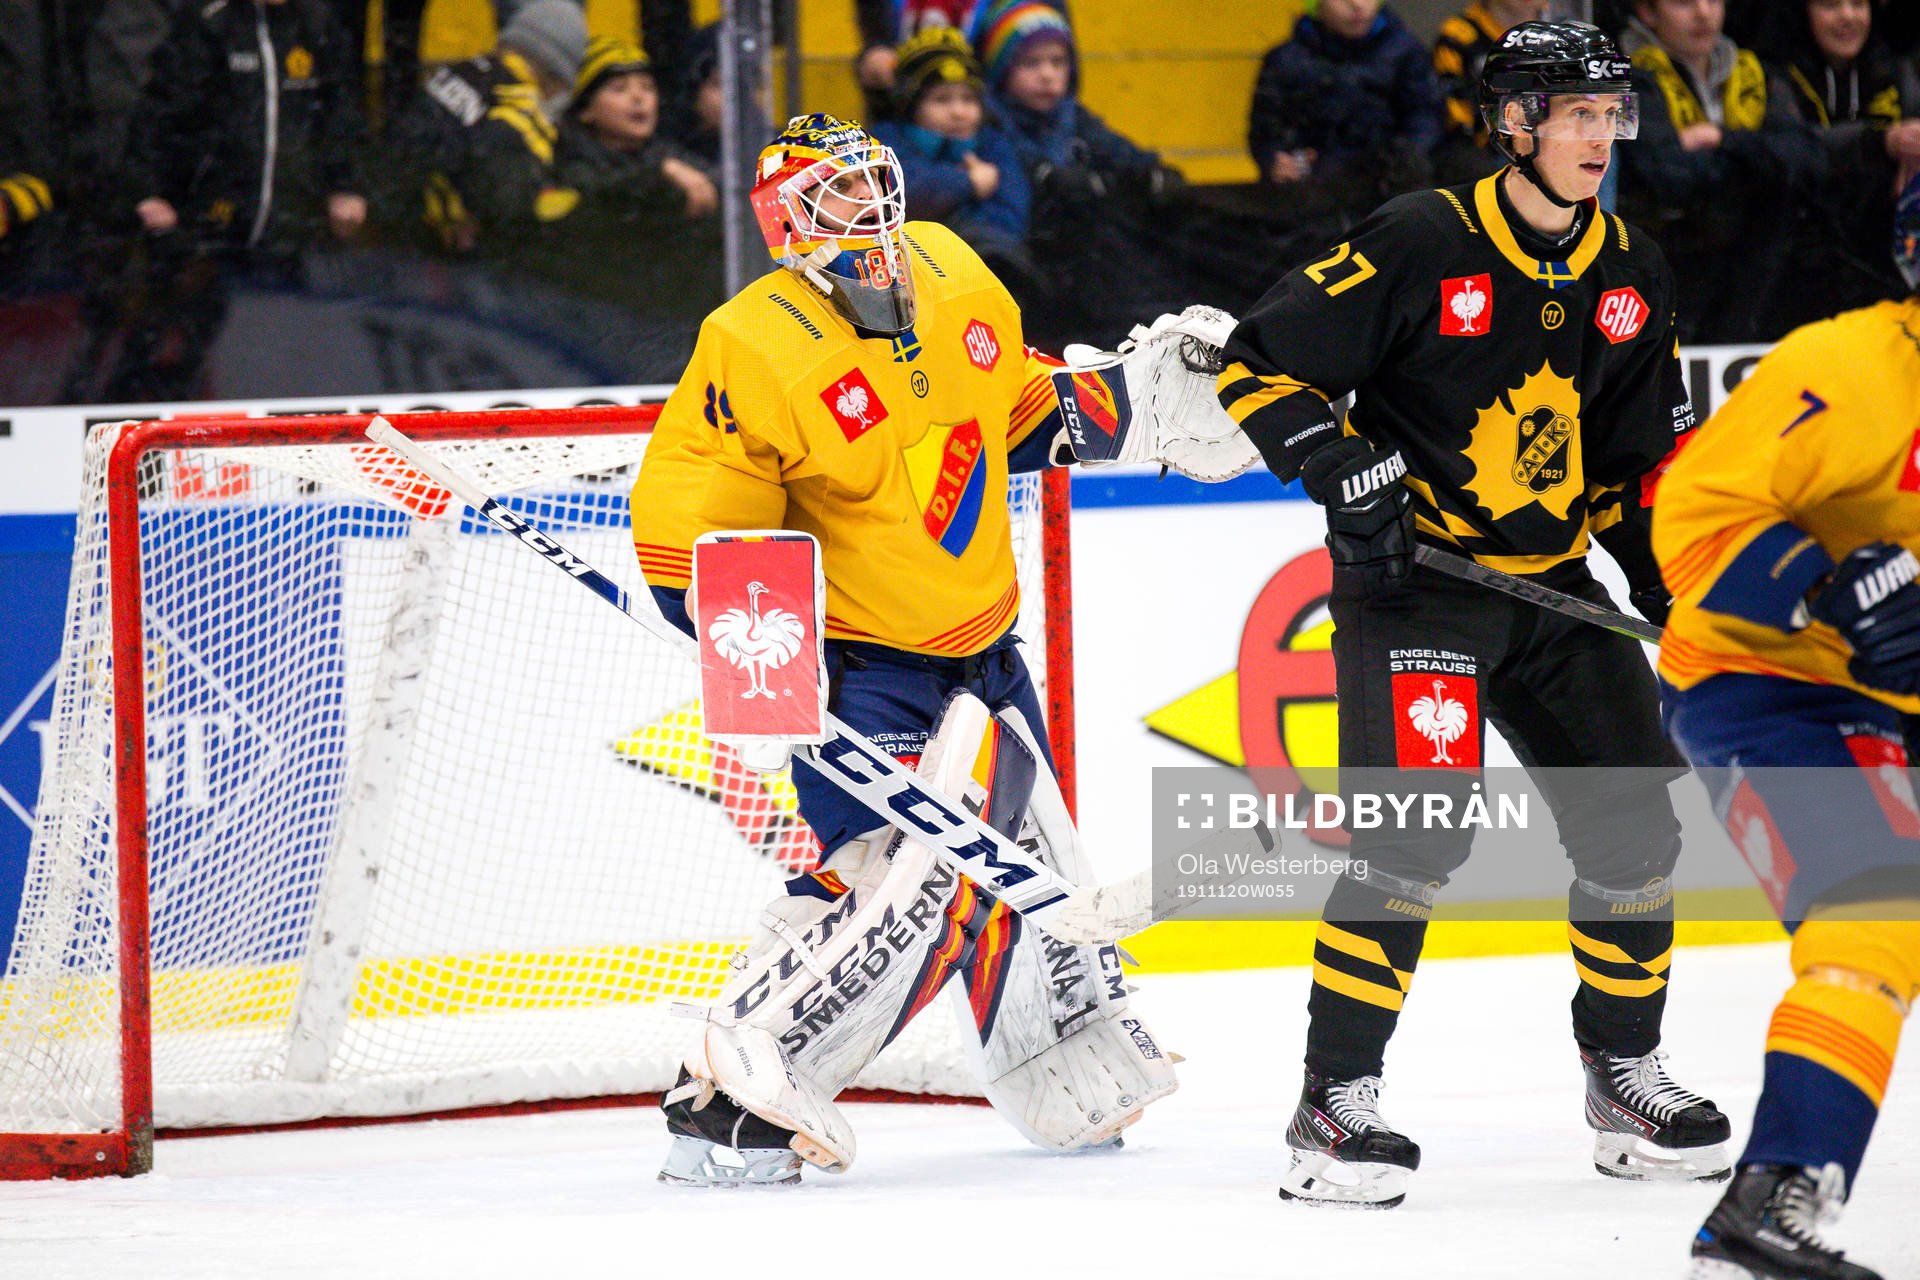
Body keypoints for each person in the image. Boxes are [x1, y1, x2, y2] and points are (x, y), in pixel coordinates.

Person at [631, 113, 1255, 1186]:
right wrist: (755, 644)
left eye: (874, 180)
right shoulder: (752, 343)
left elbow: (1011, 409)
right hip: (864, 671)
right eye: (834, 193)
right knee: (889, 889)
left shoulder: (955, 270)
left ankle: (1062, 1047)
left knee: (1030, 867)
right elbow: (695, 526)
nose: (868, 205)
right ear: (787, 219)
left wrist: (1140, 401)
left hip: (984, 648)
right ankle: (723, 1098)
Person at [1214, 21, 1728, 1208]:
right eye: (1578, 115)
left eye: (1614, 115)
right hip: (1420, 590)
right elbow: (1257, 360)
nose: (1601, 137)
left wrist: (1674, 596)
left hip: (1549, 590)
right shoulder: (1421, 237)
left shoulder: (1632, 270)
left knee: (1638, 828)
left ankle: (1623, 1072)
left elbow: (1633, 472)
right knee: (1412, 836)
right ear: (1516, 123)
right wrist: (1342, 467)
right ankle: (1332, 1102)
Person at [1651, 173, 1920, 1280]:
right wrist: (1823, 586)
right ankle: (1772, 1194)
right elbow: (1691, 515)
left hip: (1891, 700)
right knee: (1876, 903)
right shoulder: (1845, 368)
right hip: (1767, 682)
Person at [1614, 0, 1825, 342]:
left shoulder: (1756, 72)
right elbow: (1660, 175)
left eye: (1713, 0)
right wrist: (1760, 164)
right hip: (1665, 279)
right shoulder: (1623, 80)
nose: (1703, 12)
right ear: (1647, 12)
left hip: (1754, 279)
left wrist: (1719, 138)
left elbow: (1810, 157)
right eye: (1683, 3)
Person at [123, 0, 370, 261]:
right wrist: (148, 192)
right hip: (204, 233)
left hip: (293, 235)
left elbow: (341, 113)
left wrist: (345, 186)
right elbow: (159, 113)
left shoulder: (317, 24)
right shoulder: (209, 23)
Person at [1758, 0, 1920, 327]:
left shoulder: (1899, 72)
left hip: (1882, 267)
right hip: (1792, 272)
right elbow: (1788, 150)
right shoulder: (1768, 73)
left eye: (1858, 4)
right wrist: (1878, 142)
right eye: (1831, 5)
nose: (1847, 16)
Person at [388, 0, 589, 255]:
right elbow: (507, 199)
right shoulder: (518, 105)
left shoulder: (460, 71)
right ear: (556, 76)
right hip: (449, 249)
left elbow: (407, 138)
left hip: (398, 220)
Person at [869, 27, 1033, 279]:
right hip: (910, 269)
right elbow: (899, 196)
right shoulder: (886, 142)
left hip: (989, 266)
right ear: (912, 106)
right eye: (942, 100)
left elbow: (1011, 219)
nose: (958, 111)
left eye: (968, 99)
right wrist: (968, 184)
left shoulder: (992, 144)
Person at [1247, 0, 1445, 198]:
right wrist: (1275, 160)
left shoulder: (1406, 54)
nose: (1358, 4)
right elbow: (1265, 128)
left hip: (1385, 188)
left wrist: (1401, 163)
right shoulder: (1286, 61)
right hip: (1310, 191)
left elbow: (1426, 118)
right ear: (1316, 6)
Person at [1434, 0, 1551, 176]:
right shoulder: (1459, 35)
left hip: (1551, 142)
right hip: (1486, 150)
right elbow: (1453, 111)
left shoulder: (1561, 36)